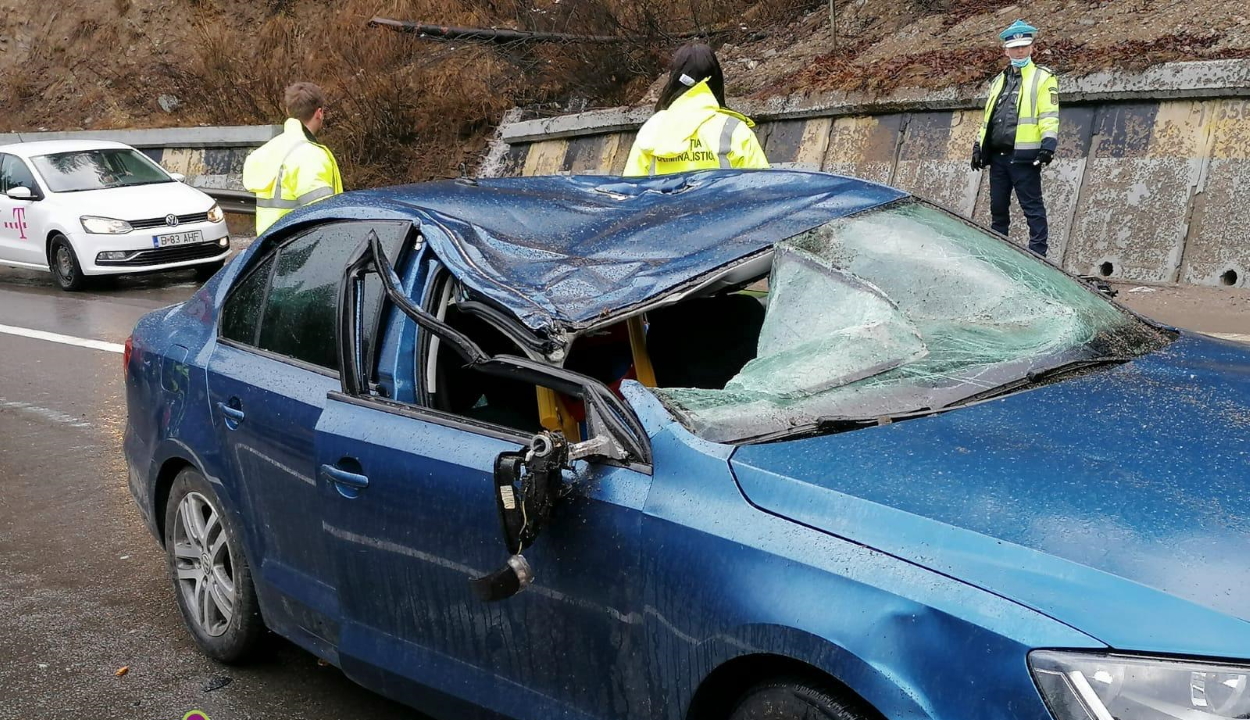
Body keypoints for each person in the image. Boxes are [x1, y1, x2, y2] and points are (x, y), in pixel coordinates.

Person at [970, 20, 1059, 256]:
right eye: (1015, 47)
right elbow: (989, 117)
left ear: (1032, 48)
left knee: (1033, 209)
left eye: (1024, 46)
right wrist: (978, 146)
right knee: (998, 209)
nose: (1019, 51)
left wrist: (1048, 144)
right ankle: (1000, 255)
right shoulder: (998, 81)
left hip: (1024, 157)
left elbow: (1049, 115)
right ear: (1006, 50)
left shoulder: (1043, 78)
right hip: (998, 158)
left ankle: (1039, 256)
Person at [624, 44, 769, 177]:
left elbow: (630, 193)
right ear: (716, 80)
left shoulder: (652, 130)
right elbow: (763, 191)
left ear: (673, 79)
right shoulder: (735, 131)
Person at [243, 82, 343, 234]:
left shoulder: (271, 149)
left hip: (269, 248)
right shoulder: (309, 155)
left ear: (288, 110)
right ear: (319, 113)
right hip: (301, 248)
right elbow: (323, 217)